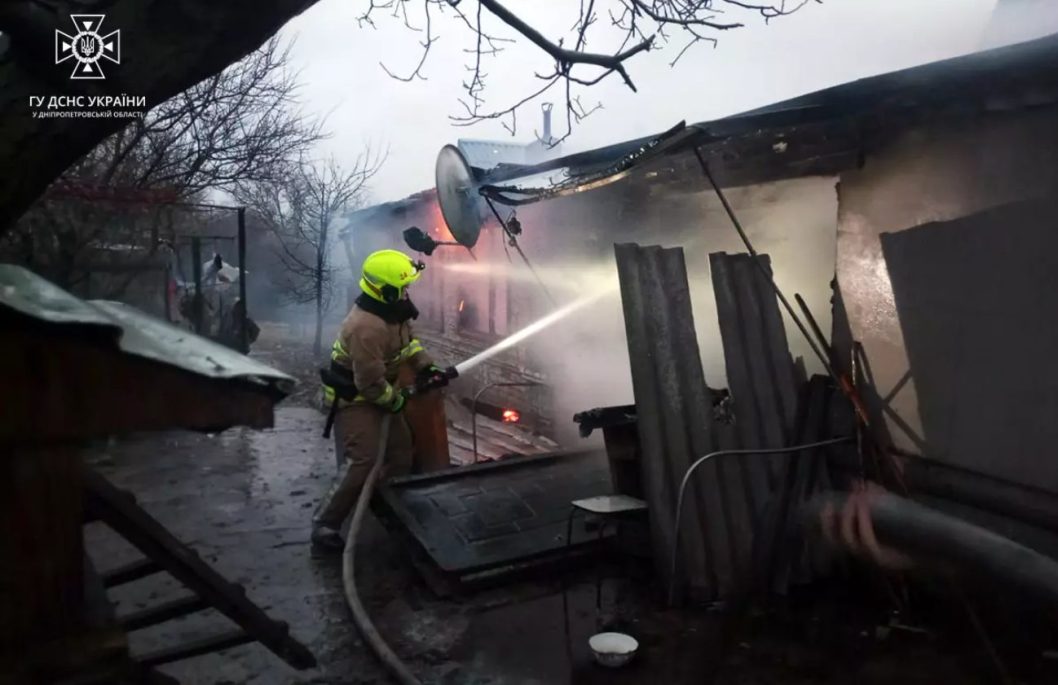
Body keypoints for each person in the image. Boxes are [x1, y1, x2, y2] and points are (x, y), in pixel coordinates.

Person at [311, 249, 450, 555]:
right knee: (363, 460)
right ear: (385, 290)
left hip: (381, 390)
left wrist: (426, 366)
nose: (407, 292)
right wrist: (397, 402)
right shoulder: (365, 326)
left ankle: (393, 510)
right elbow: (368, 382)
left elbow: (409, 345)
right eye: (403, 287)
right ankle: (326, 522)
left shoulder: (393, 311)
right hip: (356, 398)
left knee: (401, 452)